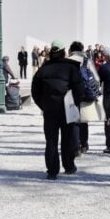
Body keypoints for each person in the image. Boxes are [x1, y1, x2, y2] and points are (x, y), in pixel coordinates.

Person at [30, 41, 86, 179]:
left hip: (49, 109)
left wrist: (43, 105)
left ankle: (52, 170)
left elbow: (35, 91)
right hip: (67, 108)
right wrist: (75, 104)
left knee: (51, 141)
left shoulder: (43, 69)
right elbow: (79, 90)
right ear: (63, 52)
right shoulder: (71, 67)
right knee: (68, 139)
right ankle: (69, 166)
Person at [68, 41, 101, 154]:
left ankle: (75, 146)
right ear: (82, 49)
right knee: (84, 120)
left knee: (74, 120)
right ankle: (84, 145)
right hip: (85, 92)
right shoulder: (87, 60)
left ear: (71, 50)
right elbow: (96, 78)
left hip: (72, 93)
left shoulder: (68, 61)